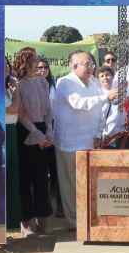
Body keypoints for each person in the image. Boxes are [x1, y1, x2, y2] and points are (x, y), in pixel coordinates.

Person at [54, 51, 119, 230]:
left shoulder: (95, 83)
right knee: (71, 187)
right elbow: (79, 103)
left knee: (89, 184)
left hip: (90, 142)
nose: (91, 68)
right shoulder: (65, 82)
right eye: (87, 65)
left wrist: (98, 134)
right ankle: (75, 224)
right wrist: (106, 96)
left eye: (92, 65)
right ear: (74, 66)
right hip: (69, 144)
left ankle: (90, 220)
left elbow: (100, 111)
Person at [13, 47, 54, 237]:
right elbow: (21, 114)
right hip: (26, 133)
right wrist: (36, 133)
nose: (38, 62)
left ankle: (43, 217)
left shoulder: (43, 82)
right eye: (34, 58)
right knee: (25, 178)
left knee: (41, 177)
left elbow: (48, 109)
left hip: (44, 131)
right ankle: (26, 221)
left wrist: (49, 131)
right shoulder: (17, 84)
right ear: (25, 61)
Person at [36, 57, 64, 218]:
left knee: (56, 170)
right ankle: (43, 208)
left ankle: (60, 204)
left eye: (45, 67)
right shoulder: (30, 85)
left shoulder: (55, 86)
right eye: (39, 67)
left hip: (55, 129)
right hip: (37, 129)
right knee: (41, 172)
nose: (43, 70)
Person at [4, 57, 21, 230]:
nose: (5, 68)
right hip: (1, 132)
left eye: (7, 65)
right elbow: (12, 109)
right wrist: (16, 91)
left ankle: (12, 219)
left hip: (12, 130)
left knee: (11, 176)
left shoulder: (8, 87)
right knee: (2, 176)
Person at [98, 65, 122, 141]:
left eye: (107, 75)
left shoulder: (120, 92)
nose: (105, 78)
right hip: (105, 136)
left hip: (120, 135)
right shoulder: (97, 95)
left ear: (112, 77)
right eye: (102, 76)